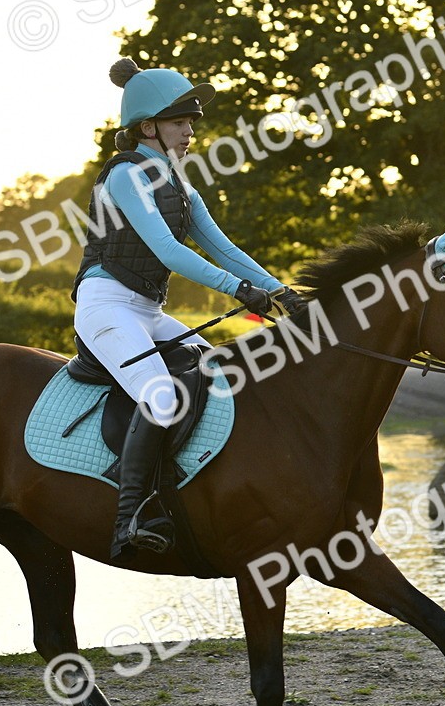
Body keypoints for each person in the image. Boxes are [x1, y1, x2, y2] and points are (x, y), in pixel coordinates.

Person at [72, 57, 305, 562]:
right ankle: (130, 517)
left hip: (148, 311)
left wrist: (279, 290)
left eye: (192, 122)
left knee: (220, 379)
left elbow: (221, 246)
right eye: (181, 121)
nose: (190, 131)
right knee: (160, 398)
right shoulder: (125, 178)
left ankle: (200, 492)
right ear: (148, 127)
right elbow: (169, 252)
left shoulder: (178, 181)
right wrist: (239, 291)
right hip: (107, 306)